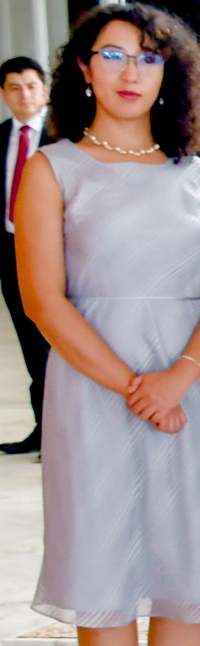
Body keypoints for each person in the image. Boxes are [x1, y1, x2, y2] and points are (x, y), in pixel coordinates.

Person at [16, 4, 200, 646]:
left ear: (167, 73)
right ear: (82, 69)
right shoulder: (52, 170)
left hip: (188, 399)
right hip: (92, 394)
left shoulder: (196, 175)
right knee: (106, 582)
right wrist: (130, 385)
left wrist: (176, 378)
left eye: (147, 58)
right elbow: (44, 301)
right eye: (110, 55)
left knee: (185, 583)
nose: (128, 71)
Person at [2, 55, 54, 454]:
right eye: (15, 88)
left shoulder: (64, 139)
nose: (24, 95)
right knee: (30, 344)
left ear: (45, 91)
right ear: (4, 94)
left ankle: (63, 433)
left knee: (58, 342)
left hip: (53, 253)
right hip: (9, 254)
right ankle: (43, 431)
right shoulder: (0, 137)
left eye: (32, 86)